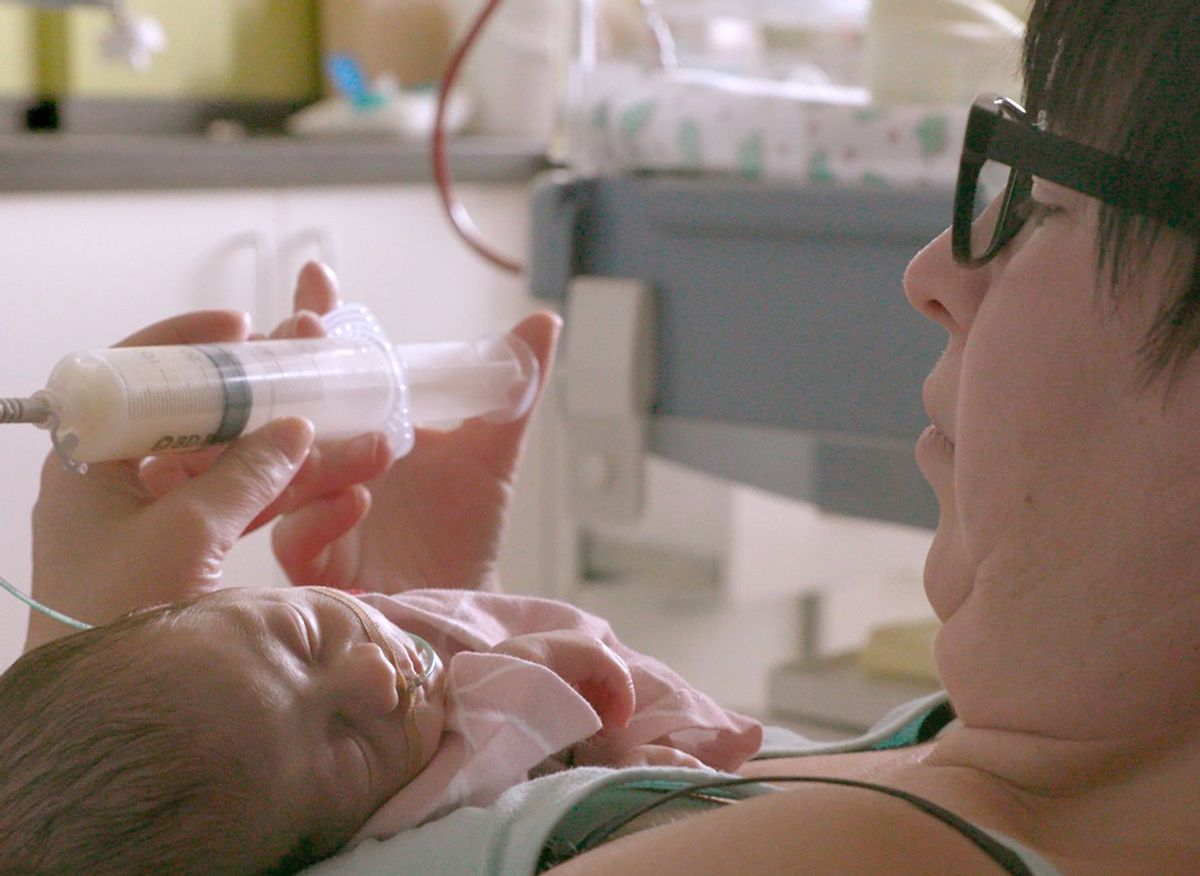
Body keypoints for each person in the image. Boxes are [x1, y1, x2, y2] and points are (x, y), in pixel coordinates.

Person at [6, 0, 1200, 872]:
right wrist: (448, 708)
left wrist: (101, 659)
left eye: (1036, 199)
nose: (936, 272)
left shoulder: (868, 855)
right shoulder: (1022, 760)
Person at [0, 581, 761, 875]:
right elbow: (565, 778)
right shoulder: (437, 812)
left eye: (301, 636)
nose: (370, 674)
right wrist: (607, 749)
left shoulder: (226, 660)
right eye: (351, 747)